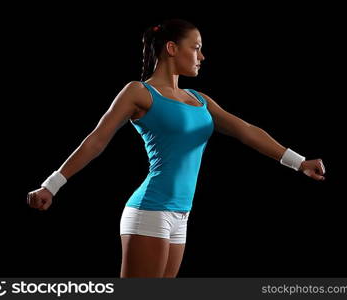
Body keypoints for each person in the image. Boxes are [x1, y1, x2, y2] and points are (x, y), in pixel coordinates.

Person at [27, 19, 326, 278]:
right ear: (171, 48)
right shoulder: (139, 92)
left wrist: (299, 162)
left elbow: (246, 131)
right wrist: (51, 186)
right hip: (150, 209)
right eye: (195, 47)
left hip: (181, 214)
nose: (202, 56)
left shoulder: (200, 99)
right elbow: (96, 139)